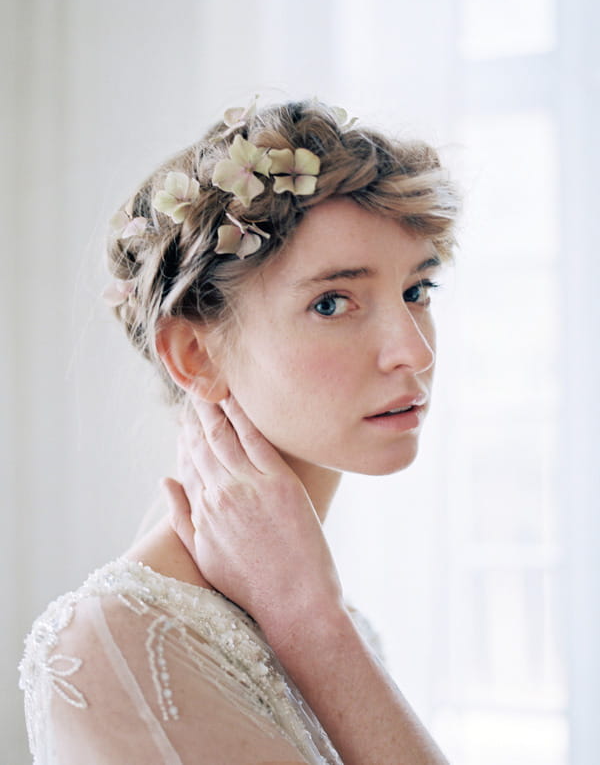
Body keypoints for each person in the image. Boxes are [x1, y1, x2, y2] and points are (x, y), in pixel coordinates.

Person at [19, 99, 459, 764]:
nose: (413, 352)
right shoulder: (119, 643)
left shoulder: (340, 622)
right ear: (194, 356)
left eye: (417, 291)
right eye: (333, 302)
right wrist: (313, 629)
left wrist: (318, 627)